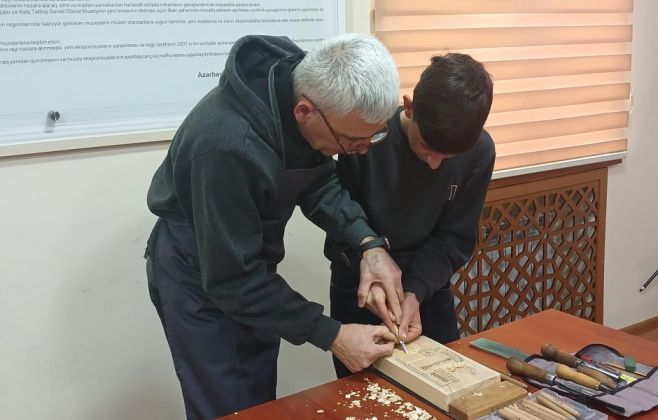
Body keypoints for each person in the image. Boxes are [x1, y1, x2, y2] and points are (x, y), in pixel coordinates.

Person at [144, 33, 406, 419]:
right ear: (304, 111)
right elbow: (233, 279)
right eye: (352, 141)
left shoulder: (301, 88)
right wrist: (332, 335)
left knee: (258, 396)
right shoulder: (225, 146)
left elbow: (317, 180)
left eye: (374, 137)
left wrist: (368, 244)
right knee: (229, 405)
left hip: (249, 265)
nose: (361, 150)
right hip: (198, 268)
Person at [324, 53, 496, 377]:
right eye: (426, 148)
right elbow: (339, 213)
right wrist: (367, 260)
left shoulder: (478, 151)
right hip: (360, 285)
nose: (433, 164)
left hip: (428, 287)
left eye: (447, 157)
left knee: (447, 386)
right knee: (363, 396)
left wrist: (415, 292)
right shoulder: (369, 133)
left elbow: (453, 238)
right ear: (409, 106)